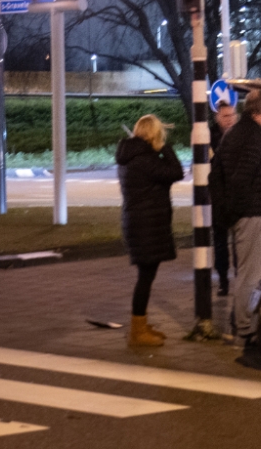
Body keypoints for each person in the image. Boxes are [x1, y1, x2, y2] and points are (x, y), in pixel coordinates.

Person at [211, 86, 261, 346]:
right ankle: (244, 327)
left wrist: (225, 212)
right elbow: (241, 178)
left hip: (238, 212)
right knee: (250, 273)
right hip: (248, 212)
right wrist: (237, 210)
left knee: (249, 271)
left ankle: (242, 322)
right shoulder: (252, 136)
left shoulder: (233, 134)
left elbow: (216, 176)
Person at [116, 114, 184, 347]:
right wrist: (166, 149)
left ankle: (141, 324)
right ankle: (137, 331)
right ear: (154, 134)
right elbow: (176, 172)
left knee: (146, 276)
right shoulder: (146, 159)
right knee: (145, 278)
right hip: (146, 226)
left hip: (137, 223)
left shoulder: (130, 157)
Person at [208, 100, 238, 296]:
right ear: (218, 117)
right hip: (218, 196)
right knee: (220, 241)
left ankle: (240, 275)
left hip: (236, 195)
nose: (229, 120)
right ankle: (223, 279)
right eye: (225, 116)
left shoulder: (240, 135)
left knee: (238, 240)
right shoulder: (210, 137)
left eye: (231, 116)